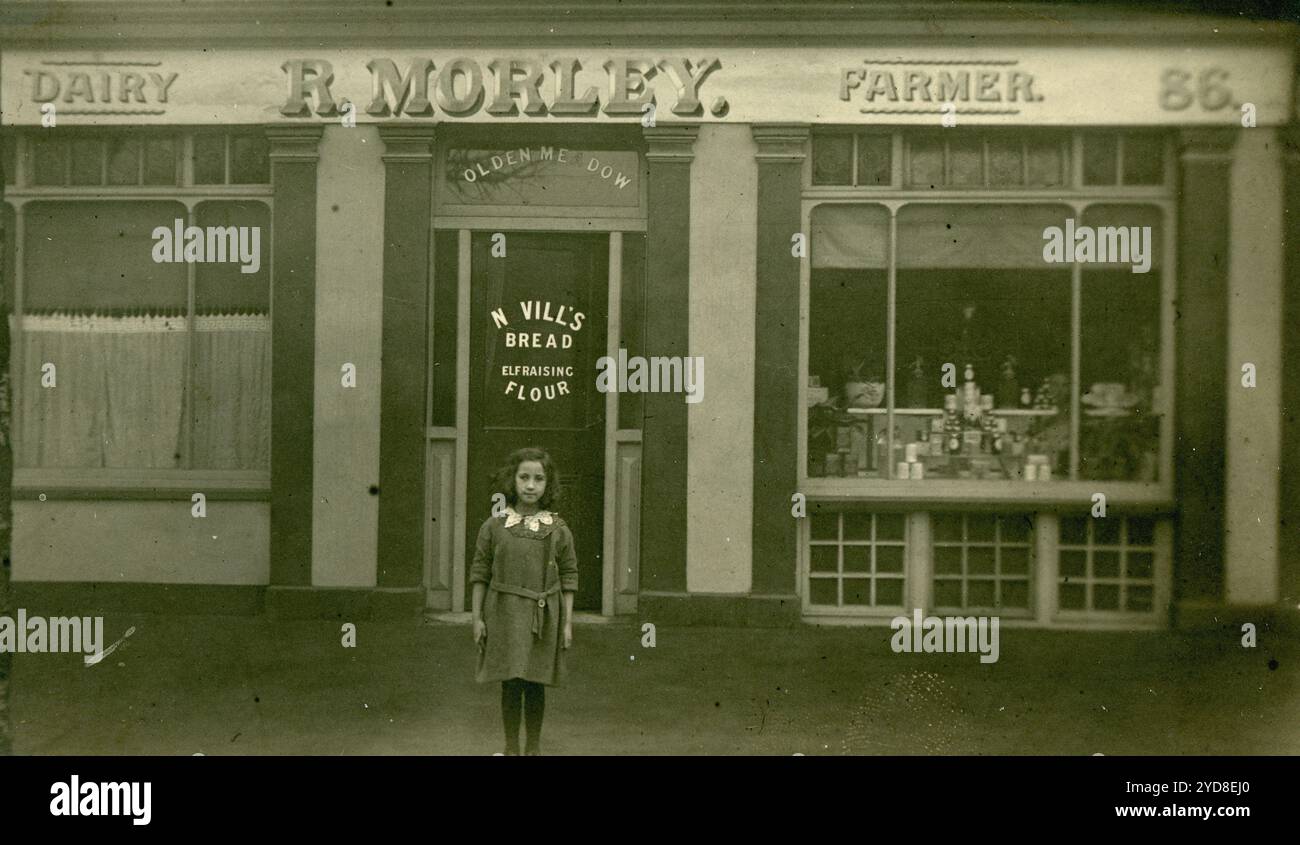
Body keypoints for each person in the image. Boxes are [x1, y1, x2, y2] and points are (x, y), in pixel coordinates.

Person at [470, 447, 578, 756]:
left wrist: (567, 623)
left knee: (535, 682)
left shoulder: (558, 530)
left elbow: (569, 576)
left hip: (542, 616)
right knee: (511, 682)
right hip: (503, 613)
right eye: (524, 478)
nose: (531, 486)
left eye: (539, 479)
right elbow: (480, 573)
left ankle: (533, 748)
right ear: (512, 480)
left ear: (548, 484)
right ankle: (510, 748)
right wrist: (477, 618)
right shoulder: (494, 527)